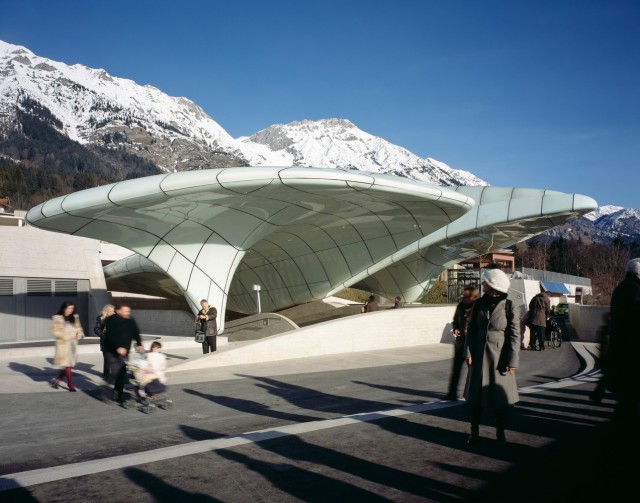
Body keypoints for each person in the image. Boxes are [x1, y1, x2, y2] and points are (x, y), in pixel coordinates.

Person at [464, 269, 520, 445]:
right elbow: (471, 330)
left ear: (493, 285)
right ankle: (474, 433)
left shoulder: (510, 306)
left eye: (485, 282)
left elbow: (514, 335)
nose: (482, 284)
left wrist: (512, 360)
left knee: (499, 401)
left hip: (500, 358)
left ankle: (500, 433)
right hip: (479, 356)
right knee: (475, 399)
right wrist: (468, 352)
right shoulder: (478, 303)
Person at [605, 258, 640, 440]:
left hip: (619, 350)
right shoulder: (635, 291)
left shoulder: (620, 289)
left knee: (625, 398)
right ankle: (623, 435)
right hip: (632, 353)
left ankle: (620, 431)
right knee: (631, 398)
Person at [103, 303, 144, 403]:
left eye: (128, 311)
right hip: (111, 350)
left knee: (122, 373)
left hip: (125, 351)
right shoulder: (111, 320)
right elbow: (110, 336)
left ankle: (118, 393)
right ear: (118, 311)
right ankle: (106, 389)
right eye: (125, 311)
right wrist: (117, 347)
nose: (128, 313)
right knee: (116, 371)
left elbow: (136, 332)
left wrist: (139, 344)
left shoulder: (130, 320)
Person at [447, 285, 478, 400]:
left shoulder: (477, 307)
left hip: (472, 343)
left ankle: (474, 392)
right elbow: (455, 320)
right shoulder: (460, 306)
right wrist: (455, 328)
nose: (464, 298)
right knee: (456, 369)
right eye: (463, 295)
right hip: (460, 342)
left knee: (472, 369)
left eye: (466, 296)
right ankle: (452, 393)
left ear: (473, 296)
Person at [51, 301, 85, 392]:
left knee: (69, 365)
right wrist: (67, 336)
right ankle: (70, 384)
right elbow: (54, 332)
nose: (70, 310)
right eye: (69, 308)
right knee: (68, 365)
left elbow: (79, 328)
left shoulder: (75, 317)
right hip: (63, 345)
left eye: (72, 308)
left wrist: (79, 334)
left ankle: (57, 380)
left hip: (73, 345)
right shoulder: (57, 318)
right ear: (64, 308)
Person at [93, 303, 115, 378]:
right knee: (107, 358)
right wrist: (103, 335)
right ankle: (107, 374)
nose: (113, 313)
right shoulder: (100, 318)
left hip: (114, 341)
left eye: (113, 311)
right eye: (111, 311)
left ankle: (115, 374)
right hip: (105, 342)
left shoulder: (115, 318)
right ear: (106, 311)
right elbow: (96, 329)